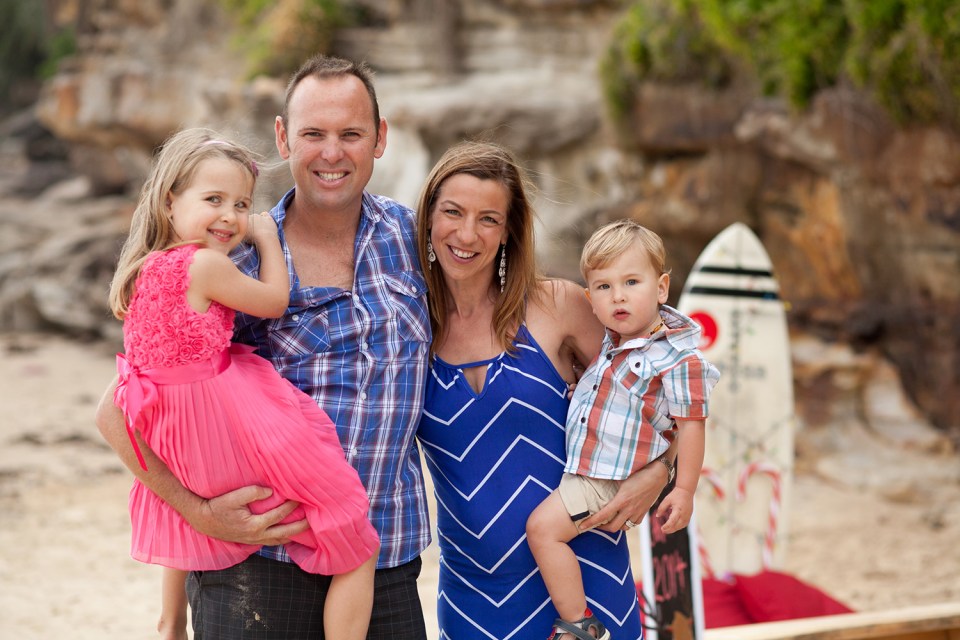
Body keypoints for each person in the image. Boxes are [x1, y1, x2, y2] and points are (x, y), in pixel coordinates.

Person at [96, 55, 432, 639]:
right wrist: (195, 513)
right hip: (258, 565)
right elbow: (136, 410)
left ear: (380, 139)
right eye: (313, 134)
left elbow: (502, 304)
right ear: (282, 137)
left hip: (387, 559)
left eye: (350, 134)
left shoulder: (415, 240)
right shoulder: (233, 261)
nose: (332, 152)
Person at [415, 142, 676, 640]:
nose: (467, 233)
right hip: (472, 601)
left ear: (510, 231)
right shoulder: (409, 326)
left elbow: (668, 389)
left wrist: (661, 471)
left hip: (587, 583)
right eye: (452, 212)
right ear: (429, 217)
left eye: (488, 218)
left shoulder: (557, 307)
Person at [526, 219, 721, 639]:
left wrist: (684, 489)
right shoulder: (614, 344)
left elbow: (692, 427)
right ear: (589, 298)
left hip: (606, 478)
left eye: (632, 282)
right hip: (594, 465)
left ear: (662, 288)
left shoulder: (677, 359)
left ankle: (579, 625)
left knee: (542, 531)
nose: (618, 296)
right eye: (603, 286)